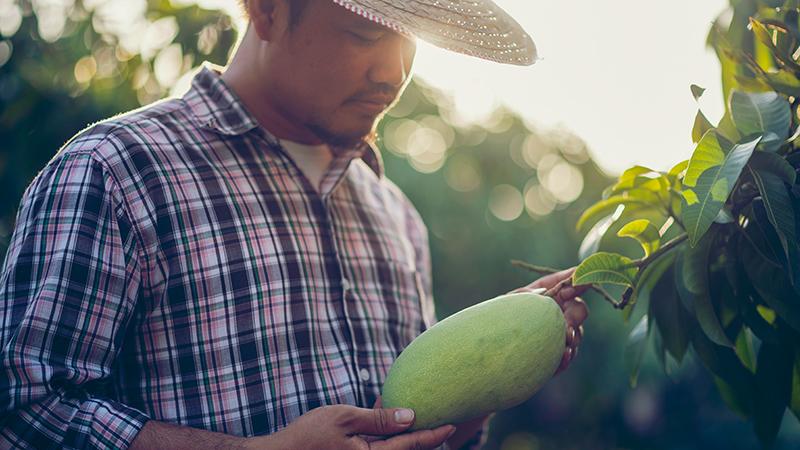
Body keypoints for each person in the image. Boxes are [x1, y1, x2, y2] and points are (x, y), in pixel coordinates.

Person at [0, 0, 588, 448]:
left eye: (411, 44)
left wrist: (489, 369)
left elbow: (405, 427)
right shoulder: (117, 173)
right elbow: (25, 410)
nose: (393, 73)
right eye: (364, 34)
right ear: (266, 10)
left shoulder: (394, 216)